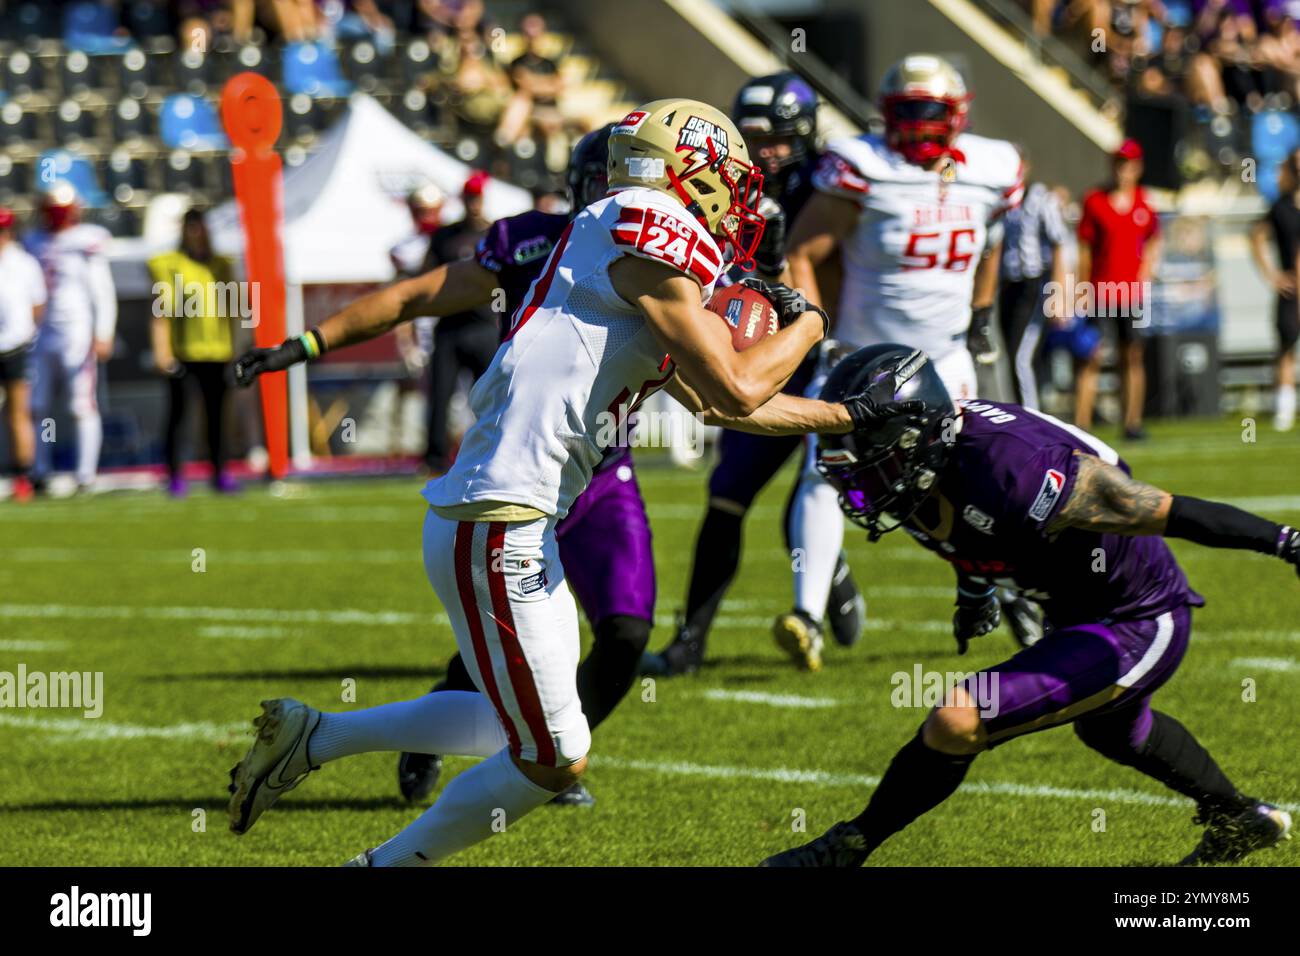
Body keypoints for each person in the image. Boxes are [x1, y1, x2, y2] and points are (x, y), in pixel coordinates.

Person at [226, 99, 881, 866]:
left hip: (516, 512)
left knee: (523, 726)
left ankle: (317, 736)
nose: (737, 201)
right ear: (692, 175)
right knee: (555, 757)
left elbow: (723, 405)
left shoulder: (632, 260)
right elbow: (739, 386)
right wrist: (808, 322)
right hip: (500, 512)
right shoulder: (643, 220)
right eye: (727, 181)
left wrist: (846, 415)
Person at [764, 343, 1297, 867]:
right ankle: (1241, 817)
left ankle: (846, 847)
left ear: (919, 439)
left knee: (959, 717)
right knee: (1112, 729)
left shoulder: (1018, 471)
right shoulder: (918, 477)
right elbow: (976, 539)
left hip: (1137, 617)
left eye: (870, 464)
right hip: (1073, 613)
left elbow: (1166, 510)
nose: (859, 484)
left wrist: (1283, 542)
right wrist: (975, 592)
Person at [775, 53, 1033, 671]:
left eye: (929, 111)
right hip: (864, 358)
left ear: (957, 114)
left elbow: (991, 243)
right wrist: (816, 333)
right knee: (823, 472)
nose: (917, 124)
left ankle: (1015, 591)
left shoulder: (991, 170)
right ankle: (807, 615)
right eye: (905, 111)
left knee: (982, 476)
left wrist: (981, 314)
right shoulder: (865, 168)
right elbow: (801, 252)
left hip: (945, 355)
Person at [643, 71, 866, 677]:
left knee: (818, 489)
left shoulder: (835, 184)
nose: (764, 149)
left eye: (777, 136)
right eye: (755, 136)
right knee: (727, 498)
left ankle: (828, 575)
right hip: (758, 351)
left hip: (829, 351)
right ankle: (690, 641)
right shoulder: (726, 183)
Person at [27, 183, 117, 495]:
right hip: (40, 335)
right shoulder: (33, 240)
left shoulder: (86, 240)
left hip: (76, 333)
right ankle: (41, 470)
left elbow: (102, 291)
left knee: (81, 404)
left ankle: (86, 474)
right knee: (38, 406)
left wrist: (103, 331)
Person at [1073, 138, 1161, 439]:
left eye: (1129, 164)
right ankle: (1082, 423)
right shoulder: (1095, 201)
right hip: (1100, 291)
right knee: (1091, 356)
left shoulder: (1143, 203)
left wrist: (1146, 273)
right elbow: (1085, 247)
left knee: (1132, 356)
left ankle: (1131, 422)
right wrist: (1082, 287)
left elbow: (1152, 240)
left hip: (1132, 295)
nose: (1124, 170)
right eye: (1119, 163)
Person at [148, 208, 238, 495]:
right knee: (178, 417)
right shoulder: (172, 265)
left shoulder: (221, 265)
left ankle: (220, 471)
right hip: (184, 353)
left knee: (217, 418)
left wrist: (237, 348)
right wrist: (162, 352)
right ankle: (175, 474)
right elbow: (161, 313)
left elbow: (235, 310)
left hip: (217, 353)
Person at [421, 170, 497, 473]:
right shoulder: (445, 236)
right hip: (450, 327)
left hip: (484, 328)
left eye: (477, 198)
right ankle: (435, 458)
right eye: (469, 198)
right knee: (440, 396)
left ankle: (493, 452)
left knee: (491, 398)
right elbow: (426, 276)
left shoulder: (494, 234)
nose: (473, 204)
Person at [998, 169, 1069, 408]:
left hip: (1033, 284)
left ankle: (1032, 418)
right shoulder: (1002, 200)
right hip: (1008, 285)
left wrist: (1057, 293)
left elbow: (1059, 243)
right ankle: (1019, 412)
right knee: (1009, 355)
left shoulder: (1040, 199)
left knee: (1021, 357)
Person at [1250, 146, 1300, 431]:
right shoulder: (1281, 207)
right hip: (1291, 290)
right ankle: (1284, 409)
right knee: (1286, 347)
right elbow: (1256, 236)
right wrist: (1272, 275)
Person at [0, 206, 47, 502]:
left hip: (16, 348)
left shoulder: (24, 263)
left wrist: (25, 333)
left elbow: (37, 304)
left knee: (19, 414)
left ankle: (24, 475)